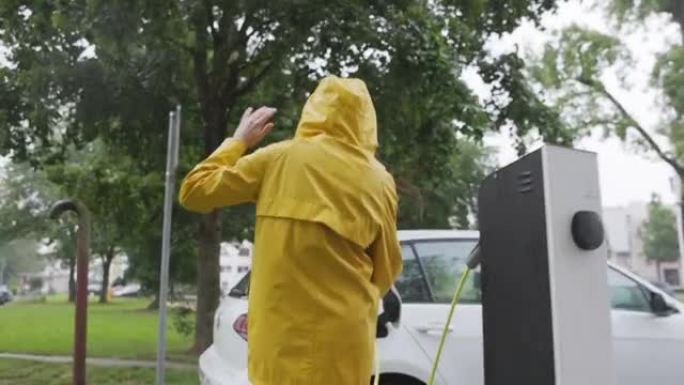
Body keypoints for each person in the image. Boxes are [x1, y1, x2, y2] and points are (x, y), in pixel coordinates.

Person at [179, 76, 403, 385]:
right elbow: (386, 268)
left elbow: (194, 191)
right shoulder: (380, 181)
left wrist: (238, 142)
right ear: (367, 121)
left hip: (278, 345)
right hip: (344, 346)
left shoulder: (279, 158)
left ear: (313, 109)